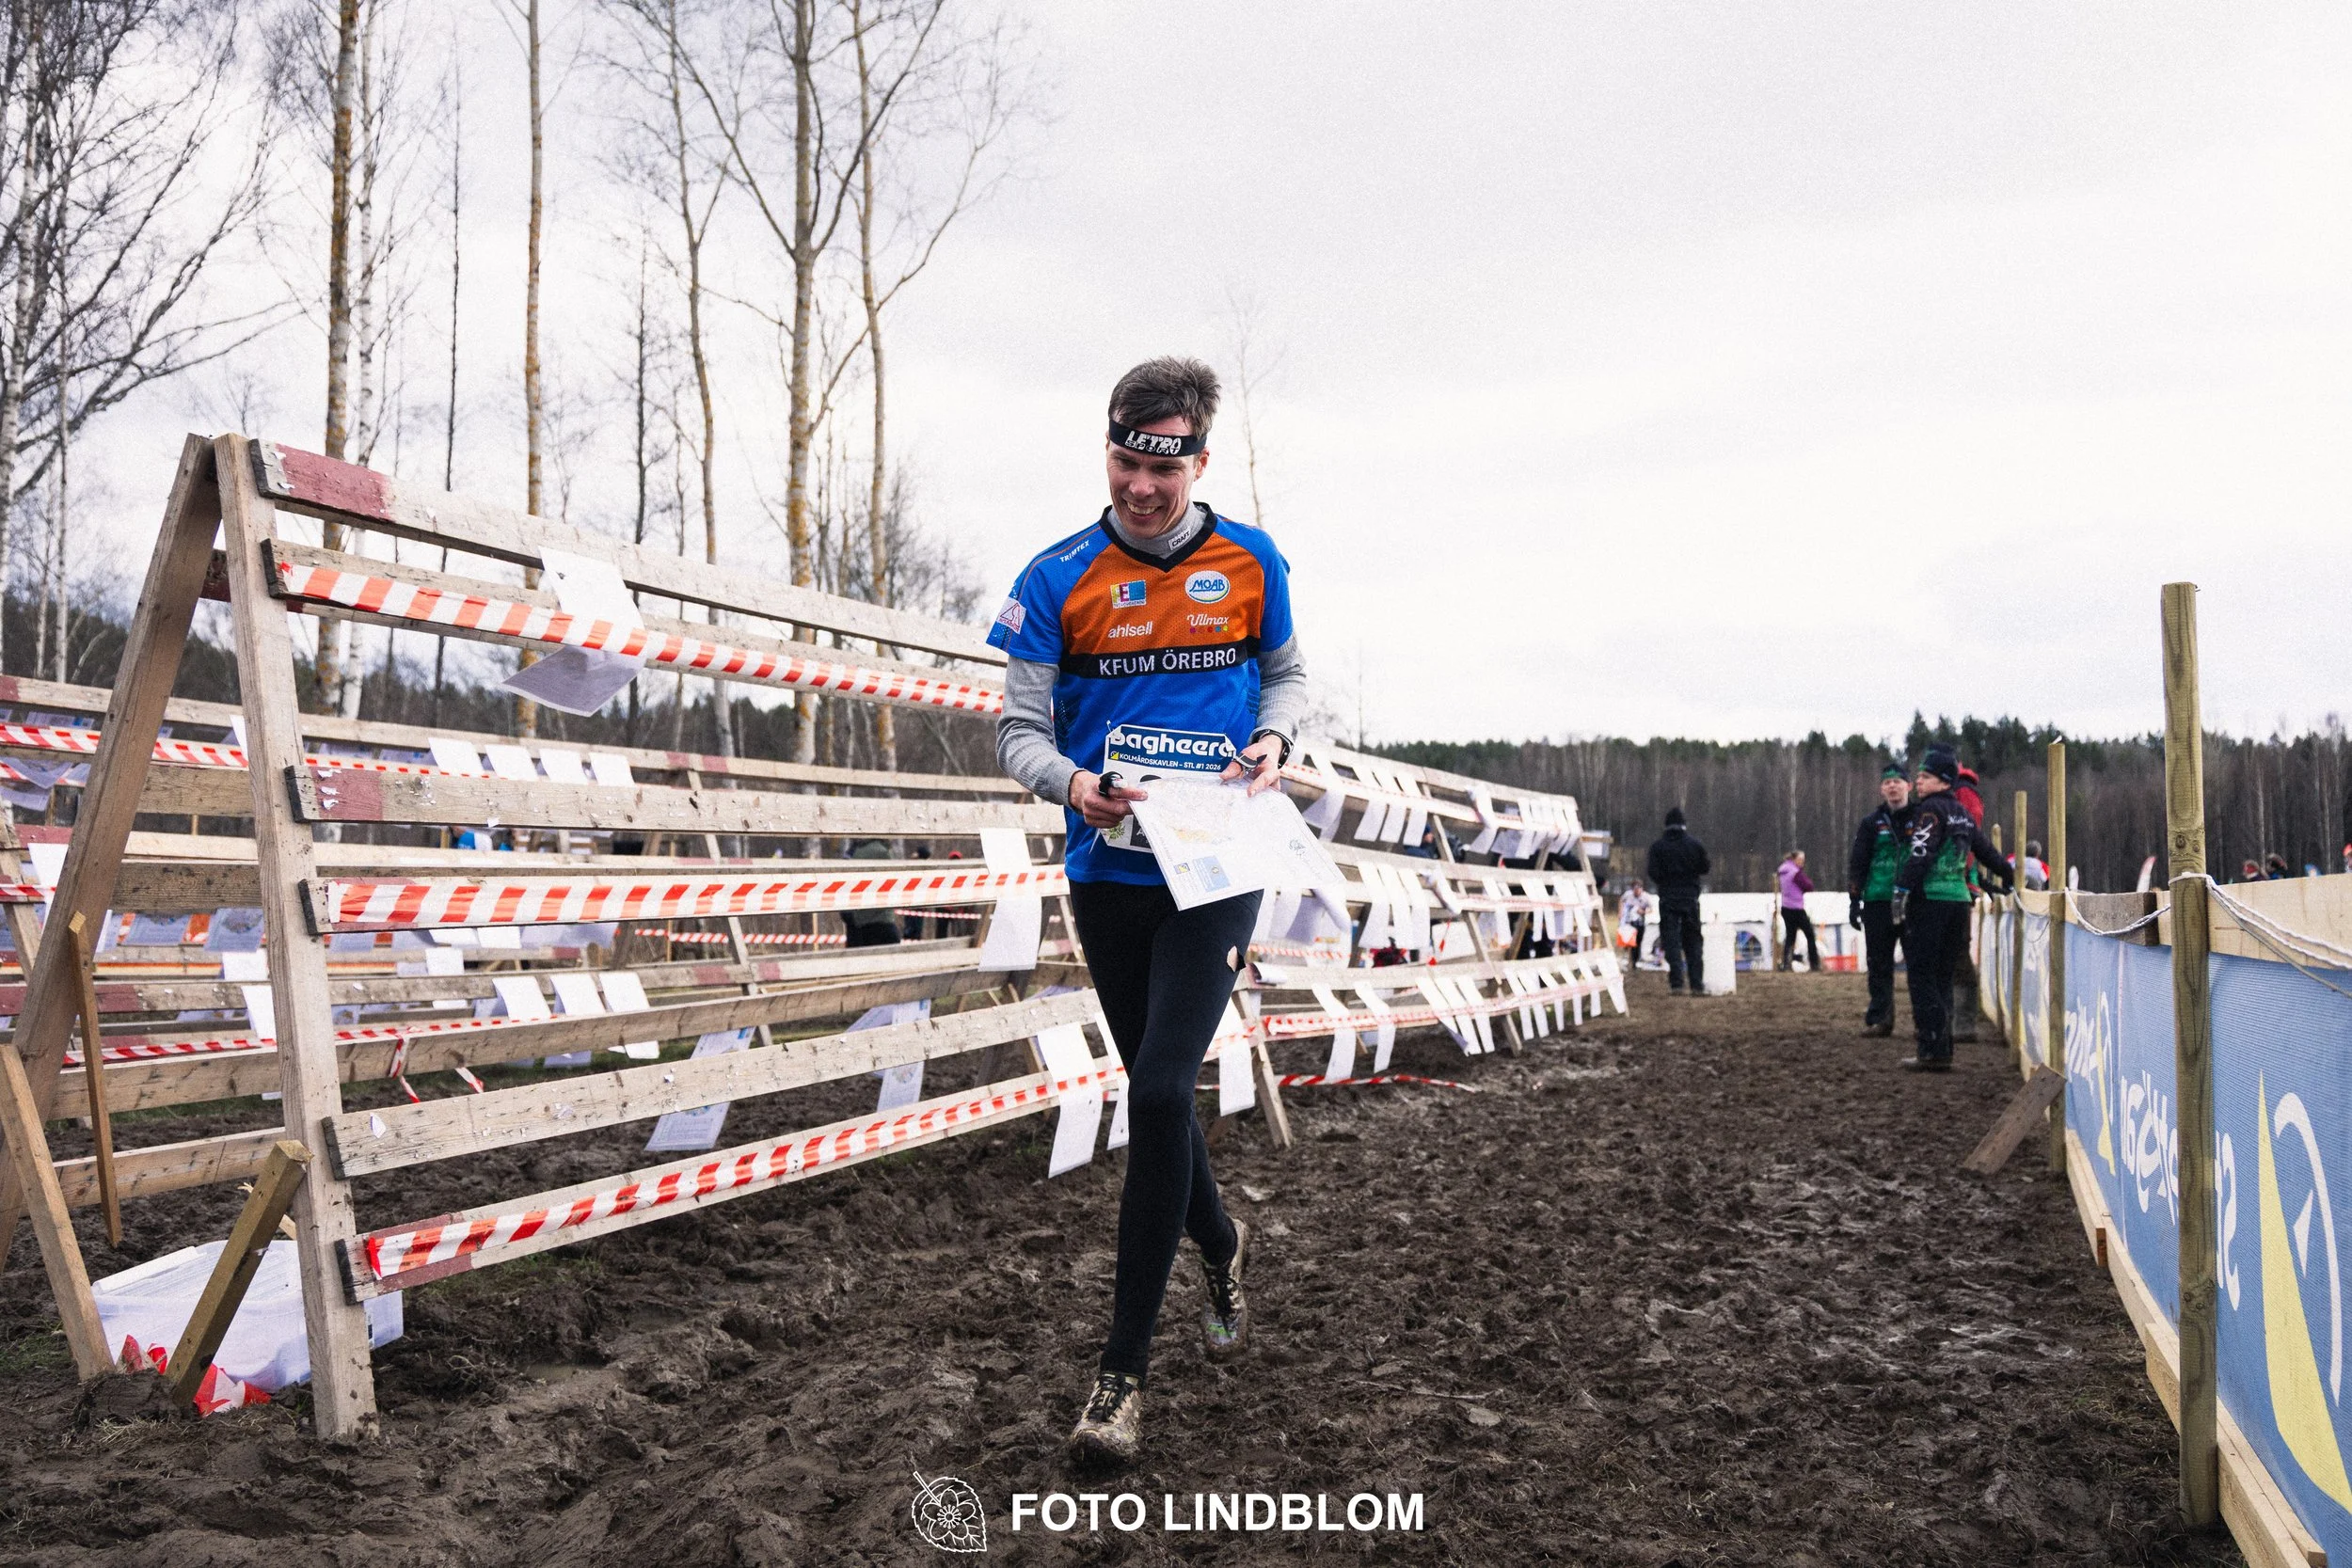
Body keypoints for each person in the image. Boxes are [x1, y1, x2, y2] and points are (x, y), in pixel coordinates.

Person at [988, 356, 1307, 1466]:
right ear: (1110, 451)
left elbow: (1288, 677)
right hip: (1108, 869)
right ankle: (1220, 1239)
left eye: (1162, 470)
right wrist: (1071, 783)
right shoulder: (1054, 577)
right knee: (1158, 1097)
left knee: (1162, 1087)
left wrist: (1274, 739)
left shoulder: (1251, 560)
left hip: (1214, 869)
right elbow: (1016, 731)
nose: (1141, 487)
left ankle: (1119, 1377)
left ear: (1197, 461)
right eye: (1125, 462)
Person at [1892, 746, 2013, 1071]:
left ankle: (1930, 1048)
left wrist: (1902, 889)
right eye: (1917, 775)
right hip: (1959, 902)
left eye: (1925, 776)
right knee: (1944, 976)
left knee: (1921, 975)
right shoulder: (1961, 812)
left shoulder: (1930, 812)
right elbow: (1986, 851)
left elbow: (1921, 852)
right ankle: (1942, 1048)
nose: (1918, 781)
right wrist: (2010, 876)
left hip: (1931, 900)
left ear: (1943, 780)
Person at [1846, 763, 1911, 1036]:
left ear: (1908, 786)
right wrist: (1854, 901)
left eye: (1897, 781)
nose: (1892, 786)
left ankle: (1925, 1021)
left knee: (1918, 963)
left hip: (1912, 900)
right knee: (1878, 962)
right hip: (1877, 900)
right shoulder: (1871, 822)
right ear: (1881, 789)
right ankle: (1880, 1018)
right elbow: (1858, 862)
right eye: (1887, 783)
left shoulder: (1921, 817)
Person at [1645, 806, 1708, 993]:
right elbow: (1705, 867)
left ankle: (1677, 983)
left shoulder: (1658, 847)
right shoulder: (1695, 845)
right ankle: (1697, 984)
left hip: (1668, 898)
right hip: (1690, 898)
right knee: (1693, 941)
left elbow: (1653, 872)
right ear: (1684, 825)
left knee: (1671, 941)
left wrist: (1666, 882)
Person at [839, 838, 902, 947]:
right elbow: (893, 886)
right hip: (877, 923)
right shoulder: (881, 852)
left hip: (856, 924)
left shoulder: (854, 851)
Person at [1775, 849, 1820, 971]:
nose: (1802, 863)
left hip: (1785, 907)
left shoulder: (1783, 871)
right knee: (1810, 935)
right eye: (1800, 860)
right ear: (1794, 859)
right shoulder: (1795, 872)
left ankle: (1786, 963)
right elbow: (1808, 886)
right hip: (1796, 908)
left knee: (1790, 936)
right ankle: (1814, 964)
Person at [1617, 879, 1650, 967]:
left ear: (1641, 889)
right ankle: (1631, 960)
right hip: (1629, 922)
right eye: (1635, 889)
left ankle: (1635, 960)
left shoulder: (1646, 897)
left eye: (1638, 889)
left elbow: (1651, 909)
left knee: (1638, 942)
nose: (1637, 891)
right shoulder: (1628, 895)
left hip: (1640, 922)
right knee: (1630, 941)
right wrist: (1620, 912)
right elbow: (1621, 900)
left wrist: (1642, 912)